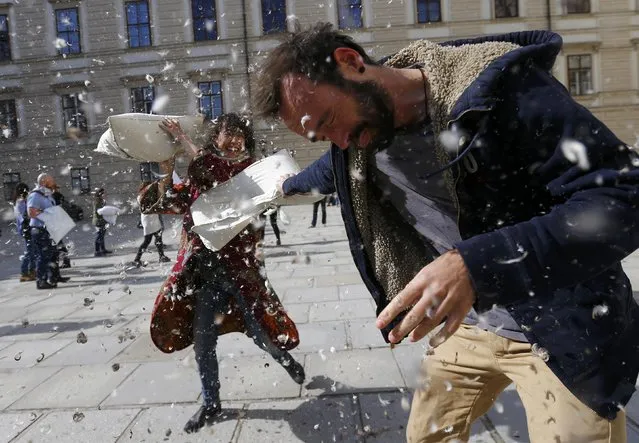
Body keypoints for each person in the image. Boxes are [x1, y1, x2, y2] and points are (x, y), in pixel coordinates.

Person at [255, 24, 639, 442]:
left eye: (330, 121)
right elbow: (331, 169)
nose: (339, 142)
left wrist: (474, 266)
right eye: (320, 135)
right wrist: (280, 188)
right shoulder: (357, 138)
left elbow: (625, 197)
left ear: (351, 63)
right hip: (469, 326)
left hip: (561, 326)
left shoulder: (505, 93)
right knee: (425, 436)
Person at [139, 113, 304, 434]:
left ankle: (286, 361)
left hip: (239, 274)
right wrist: (166, 169)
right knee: (204, 344)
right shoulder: (200, 177)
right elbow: (165, 201)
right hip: (203, 276)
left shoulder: (249, 170)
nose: (232, 139)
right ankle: (212, 403)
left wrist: (186, 144)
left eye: (238, 134)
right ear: (215, 137)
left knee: (260, 333)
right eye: (227, 133)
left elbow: (217, 171)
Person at [27, 174, 70, 289]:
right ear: (43, 182)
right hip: (40, 230)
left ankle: (54, 277)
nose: (54, 183)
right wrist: (49, 216)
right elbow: (31, 212)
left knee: (54, 254)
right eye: (51, 181)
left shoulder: (47, 194)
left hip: (50, 229)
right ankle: (41, 281)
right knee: (43, 256)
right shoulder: (36, 195)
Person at [133, 183, 171, 267]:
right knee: (147, 241)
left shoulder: (149, 196)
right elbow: (150, 208)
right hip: (148, 220)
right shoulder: (141, 197)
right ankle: (136, 259)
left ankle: (161, 256)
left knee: (158, 238)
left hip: (154, 219)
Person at [13, 182, 35, 282]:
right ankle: (24, 272)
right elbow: (25, 216)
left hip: (25, 228)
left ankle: (32, 271)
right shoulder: (21, 202)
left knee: (33, 250)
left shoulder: (20, 201)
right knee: (30, 251)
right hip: (26, 228)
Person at [51, 186, 71, 269]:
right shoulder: (58, 196)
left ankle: (64, 262)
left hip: (55, 224)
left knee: (58, 244)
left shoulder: (54, 196)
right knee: (58, 244)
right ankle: (65, 261)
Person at [92, 187, 112, 257]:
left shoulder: (102, 201)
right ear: (100, 194)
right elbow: (98, 212)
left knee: (102, 236)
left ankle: (103, 249)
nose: (105, 194)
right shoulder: (97, 201)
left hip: (103, 221)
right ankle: (97, 251)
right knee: (99, 236)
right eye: (104, 193)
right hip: (98, 221)